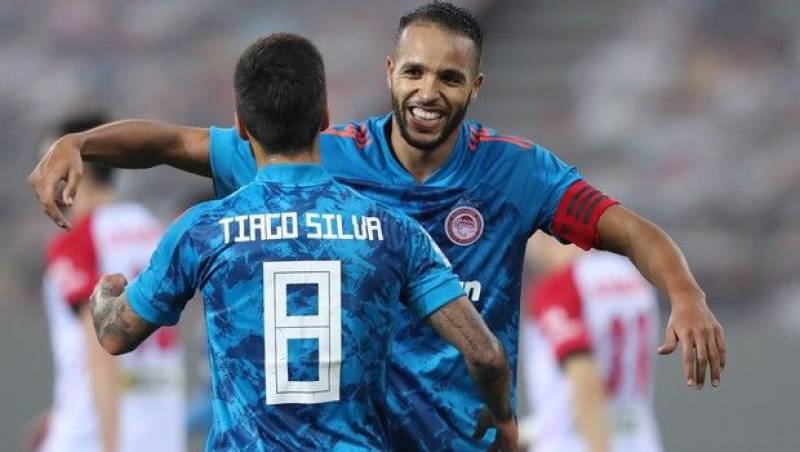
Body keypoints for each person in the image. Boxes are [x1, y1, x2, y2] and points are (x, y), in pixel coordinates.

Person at [29, 2, 726, 450]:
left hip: (456, 439)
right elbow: (171, 144)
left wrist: (685, 292)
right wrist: (81, 143)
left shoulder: (519, 173)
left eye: (450, 78)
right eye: (415, 72)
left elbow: (625, 228)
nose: (429, 92)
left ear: (476, 87)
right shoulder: (326, 157)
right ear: (391, 72)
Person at [84, 33, 517, 451]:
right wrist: (502, 417)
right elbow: (486, 355)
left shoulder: (204, 229)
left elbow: (116, 335)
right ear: (324, 117)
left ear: (241, 125)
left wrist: (105, 297)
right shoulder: (392, 231)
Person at [38, 114, 186, 452]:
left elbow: (100, 343)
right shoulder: (153, 229)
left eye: (48, 164)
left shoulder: (77, 241)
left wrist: (110, 444)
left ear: (75, 169)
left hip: (94, 433)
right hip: (160, 426)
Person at [523, 233, 662, 452]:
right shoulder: (633, 275)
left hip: (579, 444)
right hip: (640, 441)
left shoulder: (561, 287)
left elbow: (586, 381)